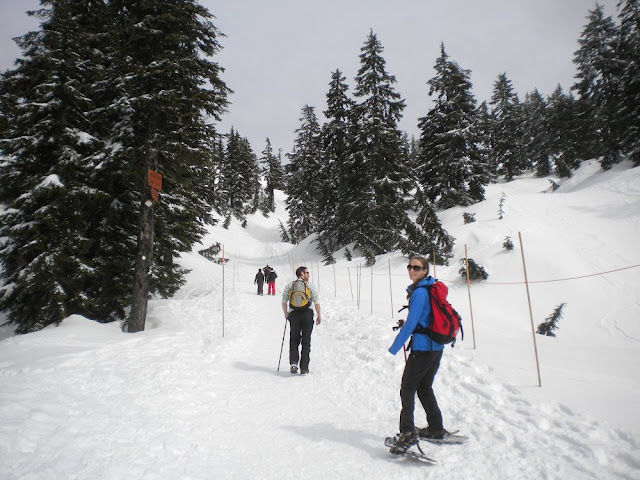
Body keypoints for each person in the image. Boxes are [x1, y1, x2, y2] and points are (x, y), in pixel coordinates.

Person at [387, 255, 446, 452]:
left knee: (408, 388)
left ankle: (406, 434)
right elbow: (423, 318)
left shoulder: (420, 292)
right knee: (424, 387)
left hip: (423, 349)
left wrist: (395, 347)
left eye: (416, 267)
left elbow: (412, 323)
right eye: (410, 266)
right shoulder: (430, 287)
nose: (412, 270)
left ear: (425, 271)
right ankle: (436, 427)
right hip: (436, 347)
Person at [281, 266, 321, 375]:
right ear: (302, 273)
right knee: (306, 340)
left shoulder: (290, 285)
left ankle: (294, 363)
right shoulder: (309, 285)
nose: (309, 274)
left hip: (294, 314)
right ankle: (304, 368)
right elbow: (316, 301)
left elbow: (284, 301)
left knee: (294, 339)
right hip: (307, 314)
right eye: (307, 272)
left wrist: (286, 314)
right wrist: (319, 315)